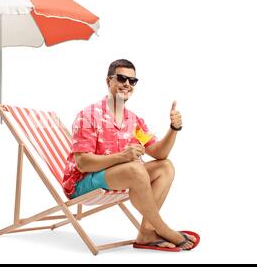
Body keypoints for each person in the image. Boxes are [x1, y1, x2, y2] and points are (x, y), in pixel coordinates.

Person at [62, 59, 198, 251]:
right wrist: (123, 157)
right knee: (135, 168)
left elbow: (159, 153)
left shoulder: (133, 120)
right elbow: (83, 163)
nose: (127, 84)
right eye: (122, 78)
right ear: (108, 81)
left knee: (165, 166)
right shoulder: (89, 115)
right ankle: (163, 229)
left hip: (119, 176)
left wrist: (174, 128)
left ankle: (146, 232)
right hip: (83, 183)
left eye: (132, 81)